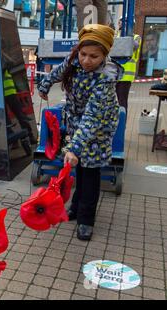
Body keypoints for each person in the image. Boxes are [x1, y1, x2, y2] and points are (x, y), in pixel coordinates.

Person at [37, 24, 123, 241]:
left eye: (94, 56)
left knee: (90, 173)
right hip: (77, 123)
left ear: (105, 55)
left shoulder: (105, 79)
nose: (86, 61)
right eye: (84, 54)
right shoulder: (74, 61)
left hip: (98, 129)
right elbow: (57, 72)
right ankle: (75, 208)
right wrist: (45, 86)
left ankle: (86, 220)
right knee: (79, 171)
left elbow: (93, 117)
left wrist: (74, 147)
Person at [116, 18, 141, 113]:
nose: (121, 24)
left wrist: (126, 35)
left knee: (122, 102)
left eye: (125, 22)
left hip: (126, 76)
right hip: (114, 74)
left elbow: (134, 46)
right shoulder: (115, 35)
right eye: (121, 22)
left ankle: (122, 124)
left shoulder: (136, 38)